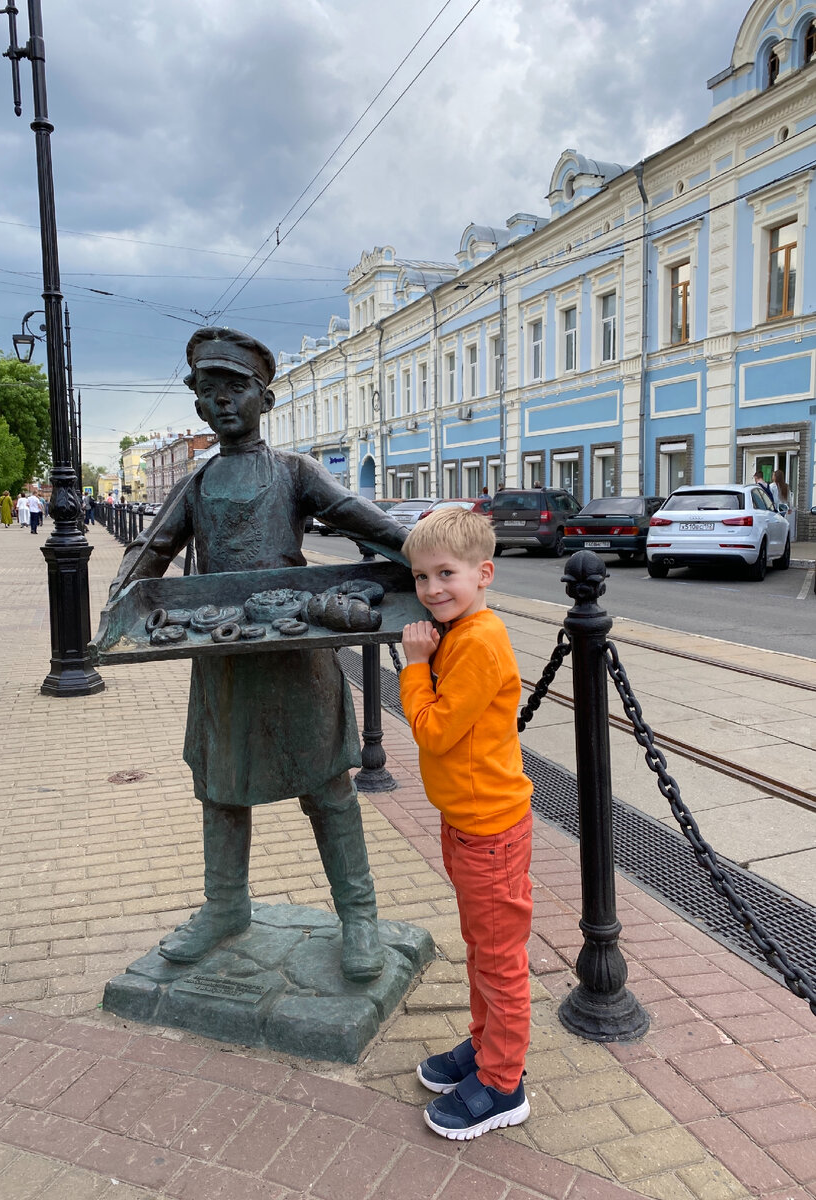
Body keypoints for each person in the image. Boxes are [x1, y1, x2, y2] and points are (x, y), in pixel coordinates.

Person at [108, 327, 407, 982]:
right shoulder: (198, 481)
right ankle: (225, 907)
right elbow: (153, 548)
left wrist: (428, 555)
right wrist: (118, 598)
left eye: (235, 390)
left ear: (264, 400)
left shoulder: (294, 474)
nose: (222, 404)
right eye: (209, 393)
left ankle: (358, 916)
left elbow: (359, 518)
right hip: (225, 660)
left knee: (327, 785)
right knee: (221, 788)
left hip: (297, 654)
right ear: (197, 407)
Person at [399, 507, 534, 1141]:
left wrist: (412, 665)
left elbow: (434, 731)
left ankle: (504, 1083)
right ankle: (484, 1048)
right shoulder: (459, 630)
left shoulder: (478, 639)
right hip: (466, 822)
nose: (431, 589)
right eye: (421, 577)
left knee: (499, 958)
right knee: (482, 948)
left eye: (445, 573)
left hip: (490, 830)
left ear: (483, 574)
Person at [771, 468, 795, 541]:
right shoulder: (786, 486)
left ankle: (776, 539)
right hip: (784, 508)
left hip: (775, 508)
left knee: (775, 525)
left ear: (776, 477)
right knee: (783, 525)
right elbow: (789, 498)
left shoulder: (772, 486)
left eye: (773, 475)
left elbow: (771, 498)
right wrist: (790, 508)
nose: (772, 477)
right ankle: (784, 539)